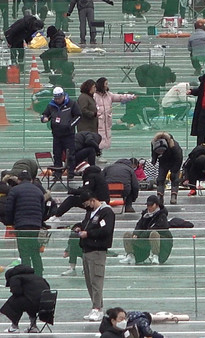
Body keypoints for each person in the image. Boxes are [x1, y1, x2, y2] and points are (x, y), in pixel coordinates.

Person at [76, 190, 116, 322]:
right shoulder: (89, 212)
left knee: (96, 280)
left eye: (87, 203)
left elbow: (106, 230)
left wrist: (88, 234)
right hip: (86, 250)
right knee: (89, 281)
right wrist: (78, 227)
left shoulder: (106, 212)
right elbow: (85, 224)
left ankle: (97, 308)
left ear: (93, 200)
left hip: (97, 251)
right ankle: (96, 306)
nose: (87, 206)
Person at [4, 171, 45, 277]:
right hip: (35, 225)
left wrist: (10, 223)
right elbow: (43, 209)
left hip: (21, 225)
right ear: (31, 180)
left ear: (19, 180)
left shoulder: (14, 190)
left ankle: (27, 275)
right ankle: (39, 274)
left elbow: (9, 209)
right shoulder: (38, 191)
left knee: (24, 252)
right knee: (35, 251)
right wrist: (39, 222)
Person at [41, 86, 82, 178]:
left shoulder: (71, 104)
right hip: (57, 135)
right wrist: (44, 118)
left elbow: (78, 116)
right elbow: (45, 114)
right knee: (57, 154)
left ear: (63, 96)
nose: (57, 100)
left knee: (70, 154)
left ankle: (70, 172)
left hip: (68, 134)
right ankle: (57, 173)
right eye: (56, 98)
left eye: (59, 98)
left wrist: (70, 125)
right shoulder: (51, 105)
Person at [120, 195, 173, 265]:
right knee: (127, 235)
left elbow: (155, 229)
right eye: (148, 205)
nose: (149, 207)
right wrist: (136, 234)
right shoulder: (145, 214)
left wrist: (141, 236)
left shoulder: (162, 216)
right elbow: (139, 225)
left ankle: (155, 256)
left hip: (159, 241)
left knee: (154, 234)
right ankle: (130, 255)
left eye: (151, 205)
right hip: (144, 239)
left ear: (156, 205)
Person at [0, 264, 50, 333]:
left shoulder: (15, 278)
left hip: (33, 303)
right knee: (28, 299)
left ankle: (14, 326)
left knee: (13, 300)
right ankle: (33, 326)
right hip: (45, 304)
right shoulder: (37, 277)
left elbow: (16, 292)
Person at [94, 77, 136, 153]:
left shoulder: (109, 95)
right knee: (99, 135)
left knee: (105, 135)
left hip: (107, 120)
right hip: (98, 120)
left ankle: (100, 153)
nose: (107, 85)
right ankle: (97, 153)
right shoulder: (95, 96)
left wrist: (130, 97)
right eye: (106, 84)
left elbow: (120, 97)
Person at [151, 132, 183, 205]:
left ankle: (174, 196)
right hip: (163, 162)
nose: (160, 152)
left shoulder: (174, 146)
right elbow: (153, 152)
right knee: (160, 179)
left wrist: (174, 171)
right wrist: (154, 160)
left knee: (175, 179)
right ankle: (160, 196)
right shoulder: (154, 143)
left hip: (174, 161)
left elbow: (179, 159)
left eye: (162, 151)